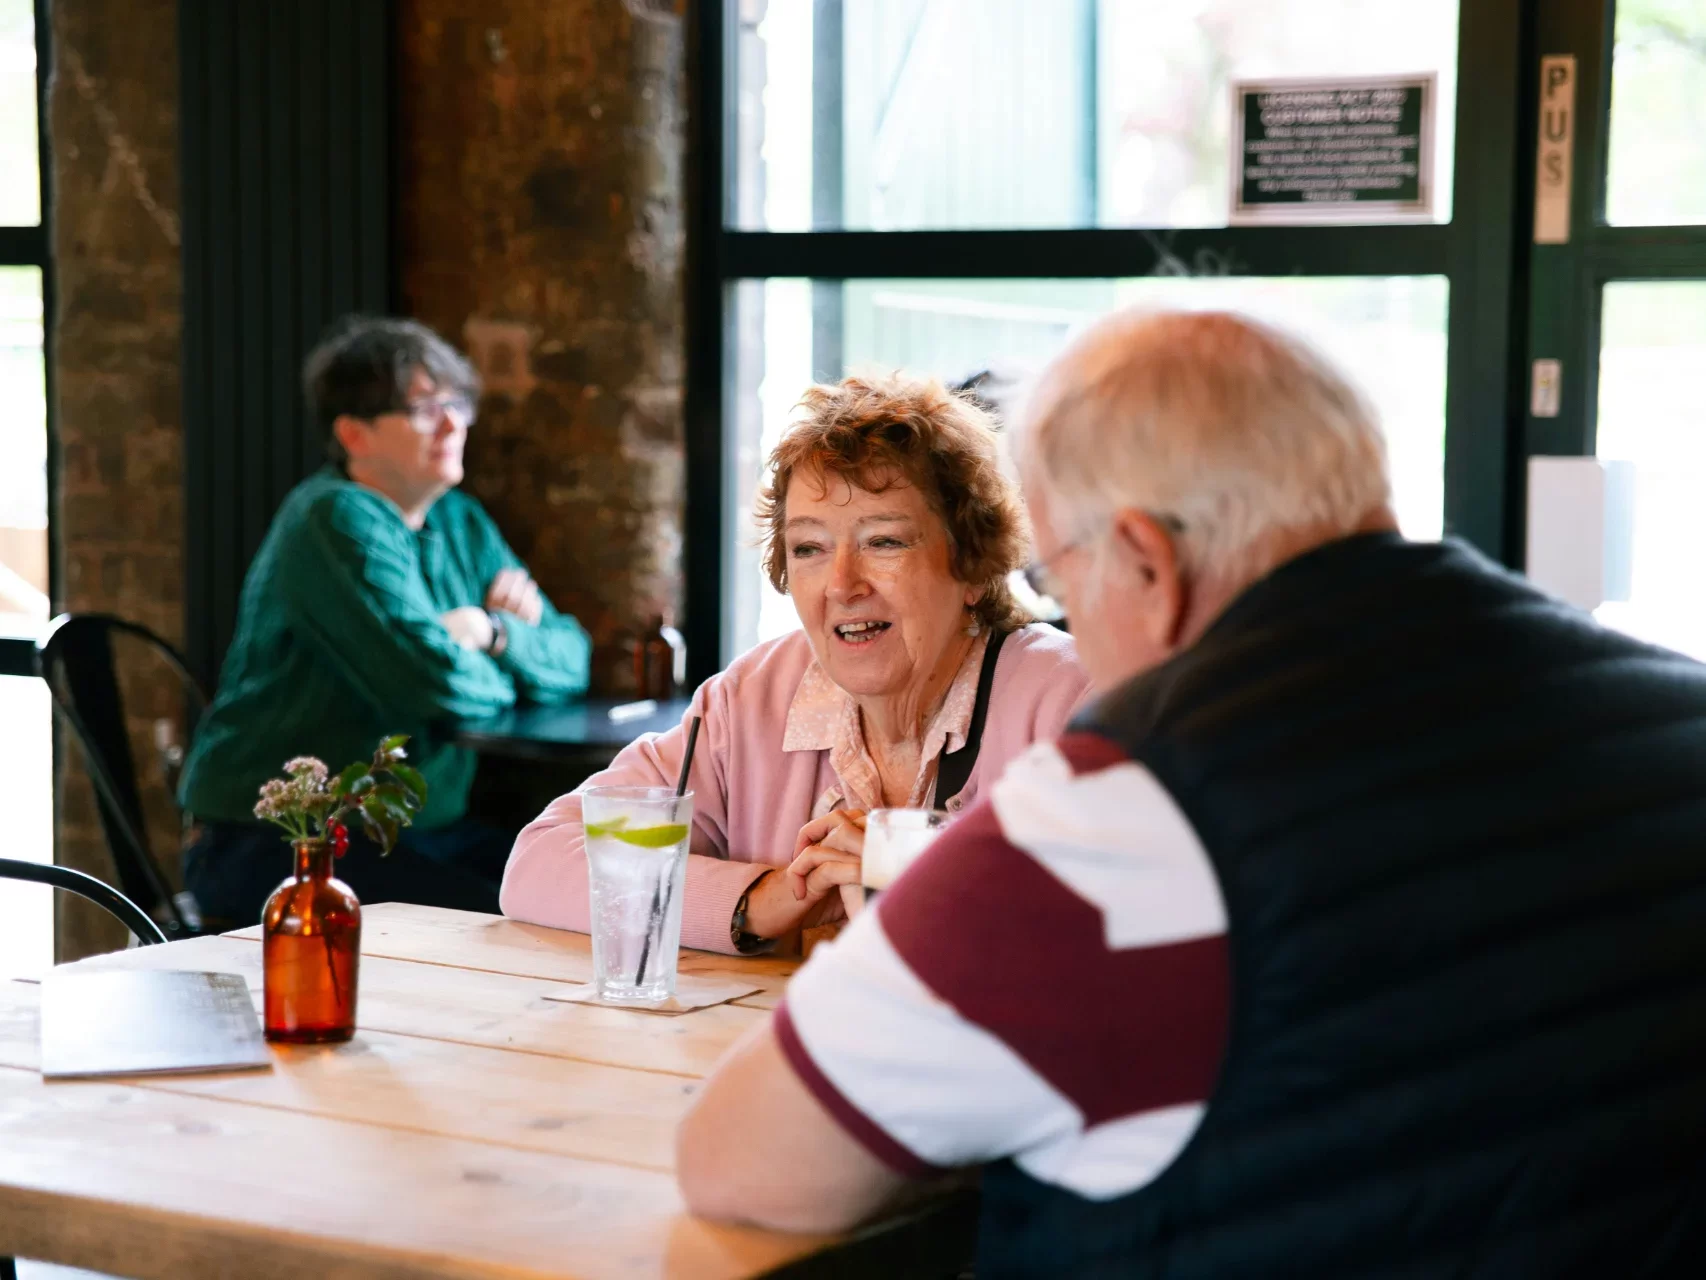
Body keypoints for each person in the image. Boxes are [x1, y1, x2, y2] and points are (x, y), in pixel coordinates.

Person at [676, 311, 1706, 1275]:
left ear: (1144, 563)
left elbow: (743, 1159)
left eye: (1070, 587)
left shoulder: (1127, 815)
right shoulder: (1675, 712)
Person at [501, 373, 1089, 954]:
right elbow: (542, 861)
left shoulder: (1070, 703)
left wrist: (918, 882)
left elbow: (1132, 942)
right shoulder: (750, 700)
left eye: (884, 541)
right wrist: (765, 897)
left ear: (973, 566)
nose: (841, 584)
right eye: (808, 548)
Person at [179, 317, 593, 925]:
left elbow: (572, 657)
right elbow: (440, 685)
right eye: (423, 408)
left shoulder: (459, 520)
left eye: (456, 403)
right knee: (524, 924)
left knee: (584, 893)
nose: (453, 423)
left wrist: (488, 632)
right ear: (354, 433)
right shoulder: (334, 520)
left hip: (416, 830)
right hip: (283, 844)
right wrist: (497, 666)